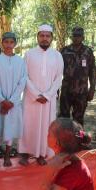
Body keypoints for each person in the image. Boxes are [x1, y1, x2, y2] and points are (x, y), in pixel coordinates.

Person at [19, 24, 64, 166]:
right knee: (28, 125)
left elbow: (59, 78)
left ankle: (42, 154)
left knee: (46, 127)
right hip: (31, 99)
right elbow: (24, 76)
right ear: (37, 37)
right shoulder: (29, 54)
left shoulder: (57, 56)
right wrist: (36, 94)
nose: (44, 38)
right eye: (42, 35)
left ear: (51, 38)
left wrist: (48, 95)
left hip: (48, 100)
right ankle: (25, 153)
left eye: (47, 36)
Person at [0, 32, 27, 167]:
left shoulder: (20, 61)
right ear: (2, 43)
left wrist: (11, 101)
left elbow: (22, 82)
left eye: (11, 42)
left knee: (10, 127)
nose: (9, 45)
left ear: (15, 44)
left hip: (14, 103)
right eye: (6, 42)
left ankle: (6, 156)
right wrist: (2, 101)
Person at [59, 26, 96, 125]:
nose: (76, 38)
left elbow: (93, 71)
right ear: (71, 37)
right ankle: (64, 140)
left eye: (79, 36)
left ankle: (79, 140)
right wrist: (56, 89)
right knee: (63, 118)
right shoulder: (64, 51)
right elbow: (57, 71)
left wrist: (92, 89)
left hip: (81, 92)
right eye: (74, 36)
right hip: (66, 91)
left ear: (83, 37)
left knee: (79, 119)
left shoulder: (88, 52)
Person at [44, 118, 94, 190]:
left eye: (49, 133)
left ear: (57, 143)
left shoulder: (71, 171)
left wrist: (49, 171)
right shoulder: (63, 160)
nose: (47, 135)